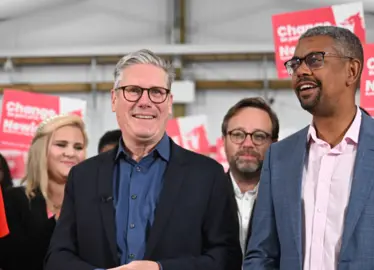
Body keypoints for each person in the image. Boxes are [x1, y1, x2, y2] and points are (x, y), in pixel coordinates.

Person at [243, 26, 374, 270]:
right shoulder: (278, 156)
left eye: (314, 60)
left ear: (352, 70)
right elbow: (261, 254)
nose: (300, 70)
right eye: (296, 63)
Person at [45, 49, 242, 270]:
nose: (145, 101)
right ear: (114, 99)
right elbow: (57, 257)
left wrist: (160, 269)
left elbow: (227, 258)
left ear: (169, 103)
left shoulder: (208, 176)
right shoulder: (83, 177)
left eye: (156, 92)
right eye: (133, 91)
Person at [0, 114, 88, 270]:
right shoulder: (14, 201)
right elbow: (12, 259)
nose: (71, 153)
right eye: (61, 144)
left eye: (78, 147)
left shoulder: (95, 203)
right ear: (41, 150)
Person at [221, 97, 279, 255]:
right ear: (223, 141)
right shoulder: (203, 196)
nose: (247, 144)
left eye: (259, 136)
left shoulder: (287, 200)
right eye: (238, 135)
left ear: (274, 145)